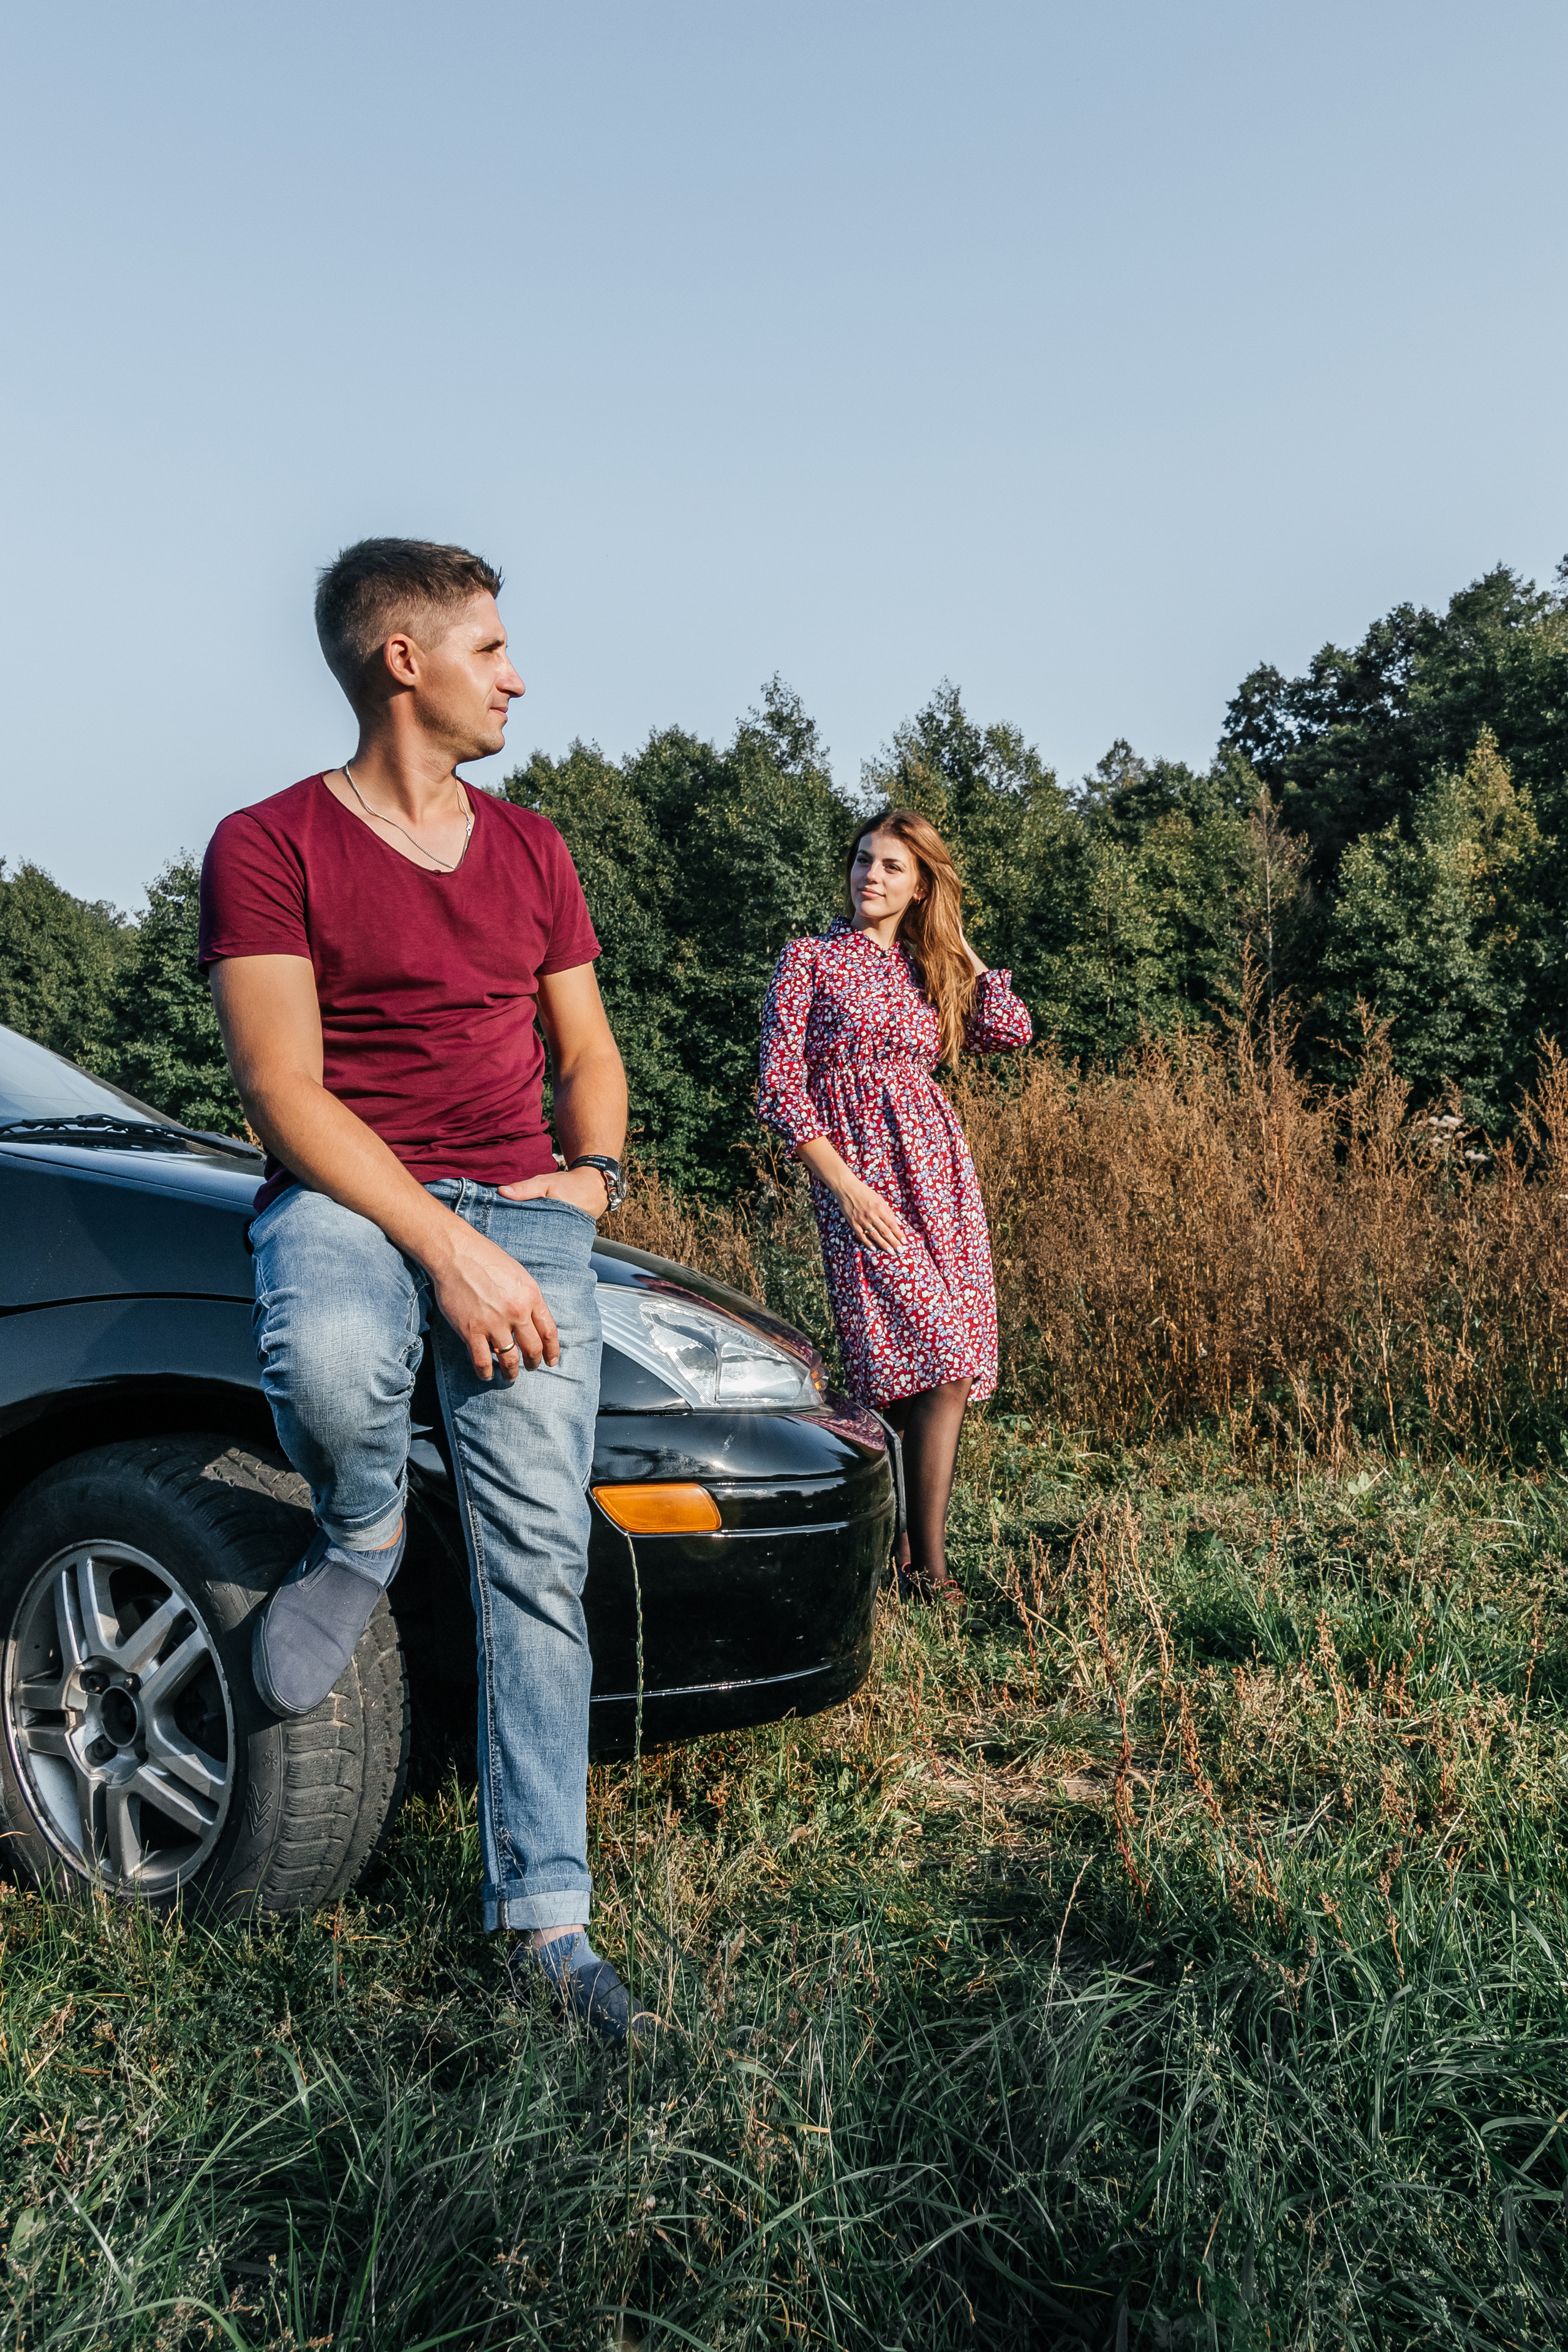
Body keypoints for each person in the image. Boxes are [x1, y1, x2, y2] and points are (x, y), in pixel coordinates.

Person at [200, 537, 649, 2043]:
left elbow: (586, 1050)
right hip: (345, 1196)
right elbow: (284, 1094)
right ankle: (357, 1529)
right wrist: (445, 1253)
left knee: (538, 1556)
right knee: (329, 1358)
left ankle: (545, 1923)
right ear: (405, 660)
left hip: (522, 1205)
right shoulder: (267, 844)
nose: (517, 674)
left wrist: (589, 1179)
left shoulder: (533, 849)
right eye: (492, 648)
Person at [757, 809, 1031, 1602]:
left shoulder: (927, 973)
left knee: (931, 1370)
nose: (869, 877)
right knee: (934, 1358)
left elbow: (1009, 1028)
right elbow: (778, 1088)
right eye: (863, 860)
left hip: (938, 1179)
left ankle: (901, 1561)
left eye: (892, 868)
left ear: (918, 888)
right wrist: (844, 1187)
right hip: (861, 1185)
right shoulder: (809, 959)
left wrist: (951, 934)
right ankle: (929, 1573)